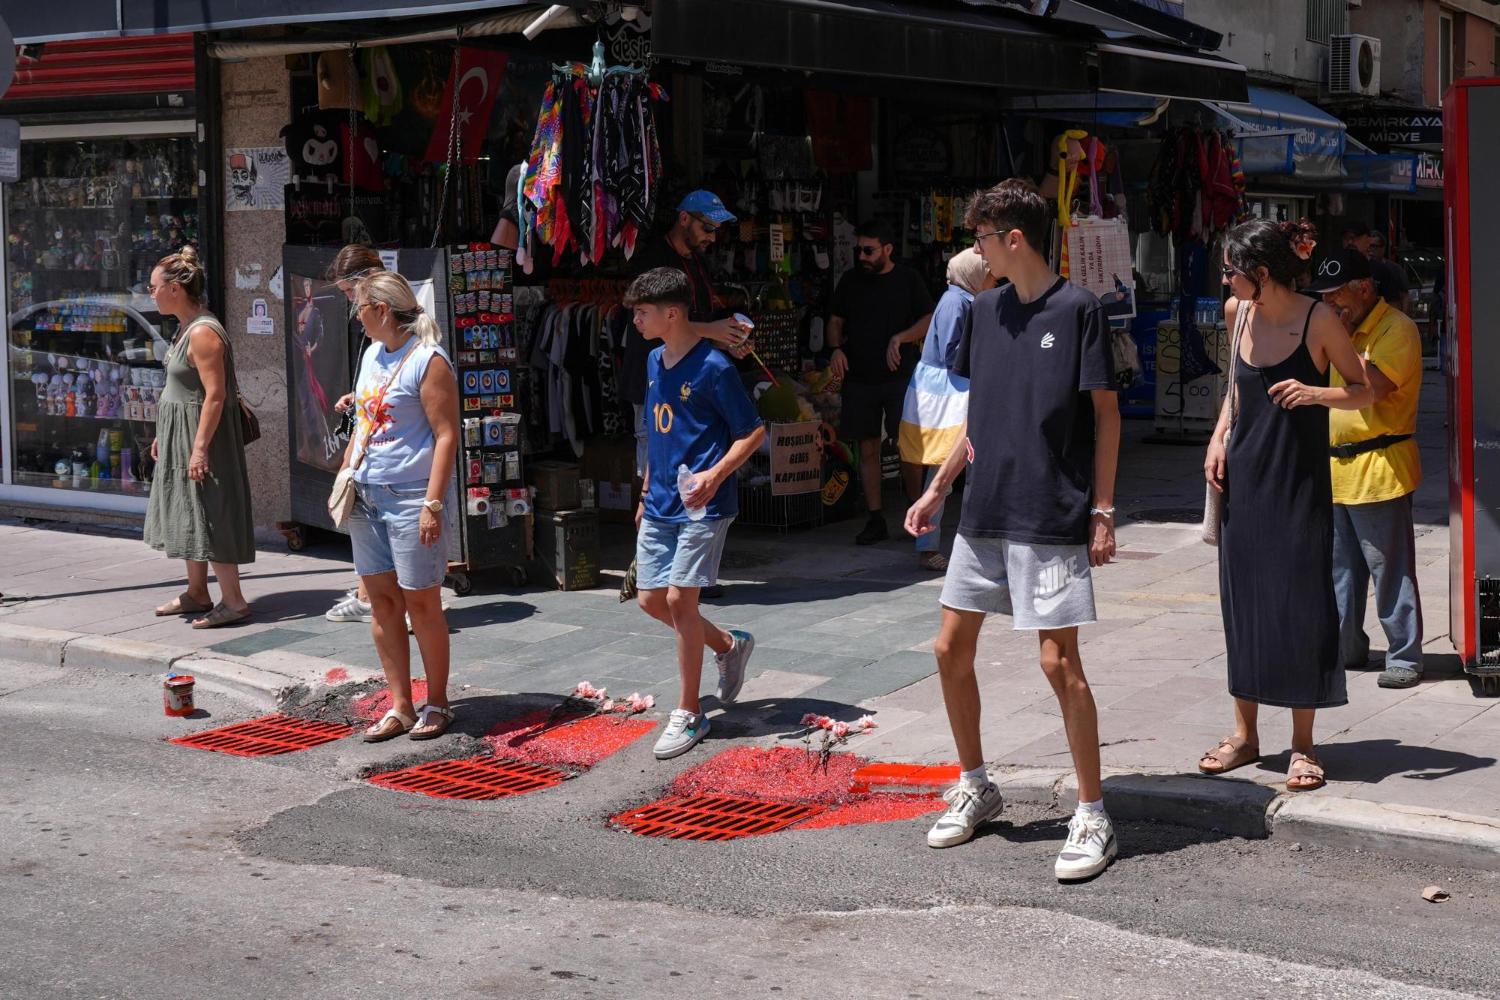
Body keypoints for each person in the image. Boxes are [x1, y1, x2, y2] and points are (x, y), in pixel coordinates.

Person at [904, 179, 1121, 882]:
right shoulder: (985, 308)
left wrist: (1104, 509)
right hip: (985, 509)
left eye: (983, 238)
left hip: (1051, 511)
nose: (977, 249)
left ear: (1014, 239)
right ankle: (976, 782)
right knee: (948, 647)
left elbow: (1107, 416)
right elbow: (981, 413)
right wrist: (939, 488)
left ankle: (1092, 810)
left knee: (1059, 664)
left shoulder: (1080, 310)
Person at [1200, 220, 1374, 793]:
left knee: (1302, 605)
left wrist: (1315, 393)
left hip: (1299, 483)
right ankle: (1245, 736)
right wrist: (1219, 434)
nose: (1225, 278)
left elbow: (1364, 388)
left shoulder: (1317, 319)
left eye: (1231, 269)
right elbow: (1234, 388)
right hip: (1244, 482)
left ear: (1262, 273)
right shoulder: (1237, 312)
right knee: (1243, 603)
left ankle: (1303, 746)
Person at [629, 268, 764, 760]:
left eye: (642, 313)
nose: (637, 321)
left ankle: (689, 712)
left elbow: (753, 433)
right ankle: (729, 645)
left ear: (671, 313)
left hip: (703, 506)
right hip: (662, 500)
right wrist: (645, 493)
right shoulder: (652, 360)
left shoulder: (715, 366)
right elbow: (658, 432)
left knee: (680, 602)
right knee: (650, 601)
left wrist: (715, 476)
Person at [341, 272, 461, 743]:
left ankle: (439, 703)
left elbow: (447, 434)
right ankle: (400, 706)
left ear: (383, 311)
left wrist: (432, 503)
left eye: (360, 308)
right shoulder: (372, 354)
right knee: (382, 605)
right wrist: (348, 467)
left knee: (422, 603)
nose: (357, 316)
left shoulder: (429, 361)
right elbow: (366, 419)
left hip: (410, 495)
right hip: (367, 493)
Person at [1305, 248, 1425, 688]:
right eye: (1324, 298)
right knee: (1340, 571)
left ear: (1364, 288)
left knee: (1388, 568)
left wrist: (1332, 342)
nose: (1331, 305)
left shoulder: (1397, 329)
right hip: (1336, 468)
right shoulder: (1339, 328)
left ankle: (1404, 656)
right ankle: (1347, 649)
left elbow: (1371, 387)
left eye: (1338, 296)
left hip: (1380, 466)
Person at [144, 246, 256, 628]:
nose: (150, 292)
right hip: (183, 433)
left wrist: (199, 449)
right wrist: (165, 433)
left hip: (201, 436)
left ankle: (234, 600)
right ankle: (197, 592)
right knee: (189, 511)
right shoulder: (186, 326)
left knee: (211, 512)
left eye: (154, 285)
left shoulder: (204, 333)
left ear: (175, 288)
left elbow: (216, 395)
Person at [829, 219, 934, 546]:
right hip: (860, 376)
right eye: (858, 249)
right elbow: (835, 320)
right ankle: (875, 518)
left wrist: (899, 338)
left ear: (888, 250)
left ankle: (917, 512)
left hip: (900, 374)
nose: (861, 255)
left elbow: (929, 319)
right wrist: (834, 349)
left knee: (909, 446)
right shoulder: (850, 281)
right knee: (867, 446)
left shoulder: (908, 279)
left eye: (868, 250)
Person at [897, 249, 995, 571]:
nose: (994, 279)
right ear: (974, 273)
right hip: (948, 394)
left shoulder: (964, 299)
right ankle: (927, 545)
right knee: (942, 468)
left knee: (947, 467)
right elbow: (955, 353)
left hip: (950, 390)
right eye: (989, 273)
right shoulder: (957, 302)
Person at [324, 245, 386, 625]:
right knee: (361, 516)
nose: (348, 299)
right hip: (371, 430)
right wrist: (358, 395)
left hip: (389, 444)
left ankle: (377, 598)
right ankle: (369, 594)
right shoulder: (368, 318)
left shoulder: (387, 313)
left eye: (349, 290)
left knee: (377, 524)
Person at [1358, 229, 1409, 313]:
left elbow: (1404, 296)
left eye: (1374, 246)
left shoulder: (1395, 269)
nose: (1370, 249)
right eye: (1368, 246)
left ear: (1383, 248)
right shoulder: (1363, 267)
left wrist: (1403, 317)